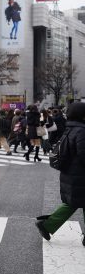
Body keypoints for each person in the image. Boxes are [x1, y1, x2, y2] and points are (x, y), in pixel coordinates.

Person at [35, 103, 85, 246]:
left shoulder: (71, 128)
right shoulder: (81, 131)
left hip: (71, 173)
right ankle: (47, 224)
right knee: (73, 202)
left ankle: (47, 225)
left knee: (75, 202)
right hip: (80, 174)